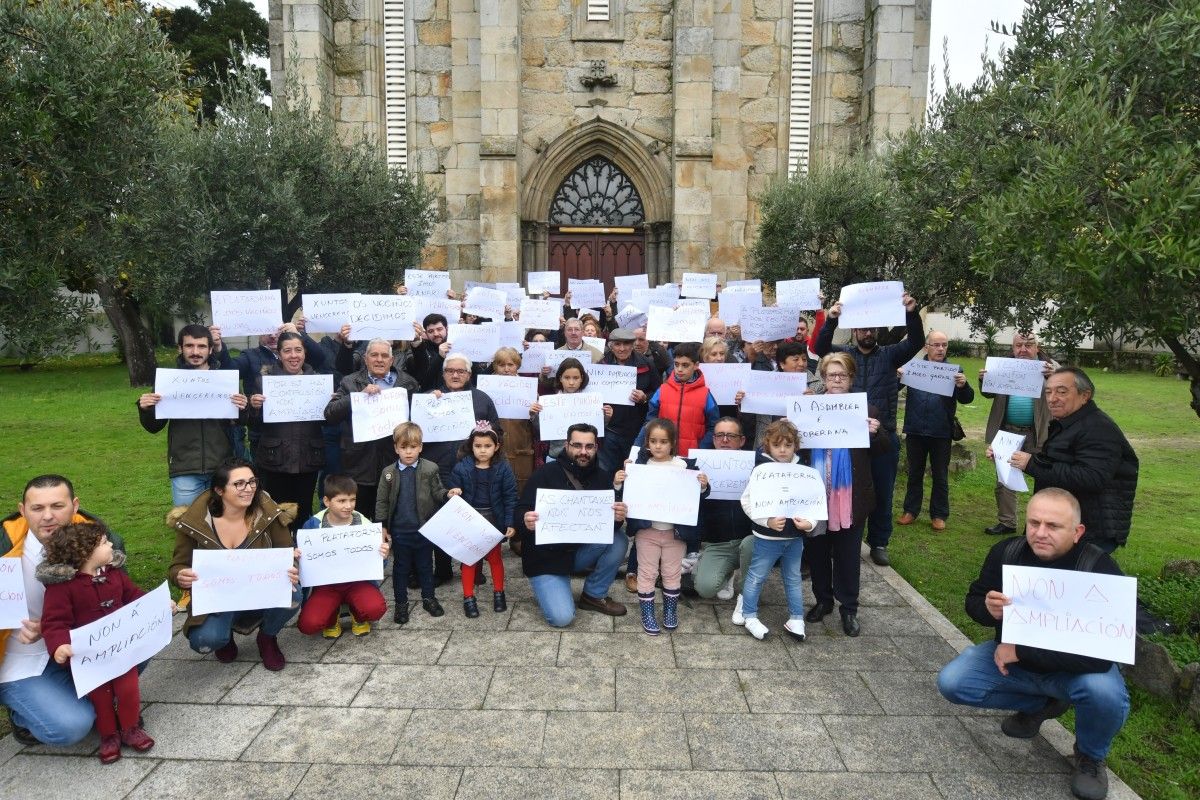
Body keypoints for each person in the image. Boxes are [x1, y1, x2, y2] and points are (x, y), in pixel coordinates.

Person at [937, 488, 1129, 800]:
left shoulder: (1099, 569)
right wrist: (986, 607)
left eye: (1053, 526)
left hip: (1074, 669)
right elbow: (973, 600)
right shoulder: (1007, 552)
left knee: (1104, 692)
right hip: (1016, 665)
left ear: (1077, 532)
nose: (1040, 533)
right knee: (953, 682)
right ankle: (1041, 705)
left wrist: (1020, 650)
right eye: (1033, 523)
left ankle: (1090, 756)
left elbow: (1100, 657)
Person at [0, 476, 127, 746]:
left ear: (75, 505)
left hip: (77, 647)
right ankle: (23, 714)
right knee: (73, 727)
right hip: (20, 658)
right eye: (37, 508)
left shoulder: (99, 540)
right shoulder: (4, 547)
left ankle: (87, 697)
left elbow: (119, 599)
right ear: (22, 510)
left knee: (137, 648)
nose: (48, 516)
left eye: (57, 506)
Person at [813, 291, 925, 566]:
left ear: (877, 330)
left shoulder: (890, 355)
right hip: (846, 439)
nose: (867, 332)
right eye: (862, 328)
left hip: (881, 435)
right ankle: (838, 537)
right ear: (854, 331)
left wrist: (911, 314)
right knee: (842, 489)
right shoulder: (844, 357)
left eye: (871, 328)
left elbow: (916, 342)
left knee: (883, 491)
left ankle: (879, 542)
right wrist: (831, 320)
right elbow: (819, 347)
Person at [37, 522, 154, 763]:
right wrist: (59, 645)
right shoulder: (62, 588)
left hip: (121, 650)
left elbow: (133, 596)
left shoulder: (114, 574)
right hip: (88, 658)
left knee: (128, 689)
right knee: (100, 695)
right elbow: (54, 622)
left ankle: (131, 727)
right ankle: (109, 734)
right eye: (104, 543)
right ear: (85, 552)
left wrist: (156, 606)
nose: (111, 544)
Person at [168, 459, 301, 671]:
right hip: (219, 600)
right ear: (220, 490)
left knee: (294, 593)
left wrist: (292, 565)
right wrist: (181, 575)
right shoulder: (194, 523)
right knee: (205, 640)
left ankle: (267, 638)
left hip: (260, 591)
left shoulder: (269, 514)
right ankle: (225, 634)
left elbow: (287, 551)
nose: (248, 489)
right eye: (239, 484)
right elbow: (177, 567)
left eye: (252, 482)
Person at [1007, 368, 1138, 553]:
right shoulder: (1069, 422)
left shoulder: (1098, 428)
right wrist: (1013, 455)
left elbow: (1091, 478)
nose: (1052, 399)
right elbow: (1058, 458)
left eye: (1061, 392)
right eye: (1048, 392)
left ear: (1085, 396)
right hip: (1066, 522)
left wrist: (1031, 464)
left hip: (1088, 528)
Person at [803, 353, 887, 637]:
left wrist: (875, 434)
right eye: (830, 375)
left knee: (848, 554)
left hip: (849, 496)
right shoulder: (809, 406)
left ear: (851, 379)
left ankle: (848, 608)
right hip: (814, 492)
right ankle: (823, 600)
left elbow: (884, 451)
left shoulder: (867, 410)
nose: (836, 380)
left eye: (842, 375)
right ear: (823, 378)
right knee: (816, 551)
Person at [516, 424, 630, 627]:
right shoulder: (544, 474)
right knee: (562, 618)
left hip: (579, 552)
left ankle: (594, 595)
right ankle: (555, 584)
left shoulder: (603, 478)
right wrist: (526, 521)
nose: (583, 452)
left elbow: (607, 526)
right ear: (567, 445)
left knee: (619, 539)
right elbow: (519, 511)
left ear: (596, 447)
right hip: (547, 557)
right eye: (577, 445)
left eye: (589, 446)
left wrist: (617, 518)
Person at [615, 419, 709, 635]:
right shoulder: (638, 467)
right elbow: (624, 497)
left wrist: (703, 486)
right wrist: (619, 482)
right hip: (647, 532)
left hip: (675, 534)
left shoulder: (685, 467)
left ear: (673, 443)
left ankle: (670, 611)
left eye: (663, 441)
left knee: (671, 573)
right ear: (647, 442)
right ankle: (647, 613)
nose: (658, 446)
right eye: (653, 441)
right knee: (646, 573)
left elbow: (698, 499)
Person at [137, 324, 248, 506]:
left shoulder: (225, 380)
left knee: (224, 522)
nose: (195, 352)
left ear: (211, 349)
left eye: (202, 346)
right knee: (189, 525)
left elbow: (243, 421)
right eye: (189, 346)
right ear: (180, 348)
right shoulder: (169, 382)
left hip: (222, 466)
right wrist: (146, 409)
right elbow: (154, 427)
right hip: (185, 467)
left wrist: (244, 408)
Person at [733, 420, 820, 641]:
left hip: (795, 538)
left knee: (792, 578)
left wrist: (809, 523)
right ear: (768, 446)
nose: (783, 450)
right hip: (767, 538)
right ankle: (749, 614)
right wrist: (766, 521)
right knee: (756, 576)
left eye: (788, 445)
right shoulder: (761, 470)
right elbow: (747, 501)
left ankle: (796, 618)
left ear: (795, 446)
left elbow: (813, 502)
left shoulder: (804, 471)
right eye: (777, 445)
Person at [417, 352, 501, 582]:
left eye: (460, 371)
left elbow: (497, 431)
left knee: (474, 519)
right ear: (443, 374)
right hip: (438, 467)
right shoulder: (430, 397)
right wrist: (427, 405)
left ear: (469, 374)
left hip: (472, 468)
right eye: (450, 371)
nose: (455, 375)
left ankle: (475, 569)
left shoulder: (482, 399)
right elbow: (416, 431)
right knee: (442, 520)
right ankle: (443, 569)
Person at [375, 422, 463, 624]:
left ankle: (428, 598)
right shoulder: (388, 473)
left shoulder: (430, 469)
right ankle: (401, 604)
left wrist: (447, 494)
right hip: (400, 531)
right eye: (403, 447)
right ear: (396, 448)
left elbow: (437, 491)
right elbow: (381, 501)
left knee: (425, 566)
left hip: (424, 529)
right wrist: (382, 526)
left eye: (413, 447)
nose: (408, 452)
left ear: (420, 447)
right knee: (401, 569)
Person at [324, 336, 421, 517]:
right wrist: (358, 397)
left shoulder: (408, 384)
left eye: (384, 356)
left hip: (394, 465)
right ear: (365, 359)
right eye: (374, 355)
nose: (379, 359)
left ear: (391, 360)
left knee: (388, 522)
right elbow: (330, 414)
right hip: (358, 464)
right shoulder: (350, 382)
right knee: (358, 520)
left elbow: (419, 419)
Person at [246, 331, 329, 532]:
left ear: (305, 353)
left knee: (303, 511)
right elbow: (253, 424)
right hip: (275, 458)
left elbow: (329, 418)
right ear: (279, 354)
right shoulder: (264, 382)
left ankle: (301, 556)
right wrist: (254, 407)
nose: (293, 355)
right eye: (287, 351)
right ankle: (278, 556)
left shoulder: (318, 381)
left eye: (298, 350)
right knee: (275, 513)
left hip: (308, 458)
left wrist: (330, 403)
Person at [979, 331, 1057, 535]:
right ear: (1013, 348)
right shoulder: (1003, 366)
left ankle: (1040, 524)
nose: (1023, 349)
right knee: (1004, 480)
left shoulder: (1050, 367)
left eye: (1028, 345)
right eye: (1018, 345)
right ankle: (1007, 522)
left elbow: (1066, 389)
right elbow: (988, 393)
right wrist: (984, 380)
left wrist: (1054, 376)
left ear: (1037, 348)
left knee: (1044, 479)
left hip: (1038, 433)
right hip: (1007, 432)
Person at [897, 330, 974, 531]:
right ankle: (910, 511)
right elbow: (893, 389)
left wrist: (963, 386)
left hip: (941, 431)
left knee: (940, 475)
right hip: (915, 429)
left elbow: (968, 399)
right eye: (936, 345)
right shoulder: (913, 368)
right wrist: (897, 377)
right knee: (915, 472)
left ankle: (939, 514)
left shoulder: (954, 370)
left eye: (944, 345)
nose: (941, 349)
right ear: (927, 347)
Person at [296, 474, 390, 639]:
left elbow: (377, 567)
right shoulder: (312, 526)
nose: (348, 506)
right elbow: (303, 564)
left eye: (352, 500)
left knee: (376, 609)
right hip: (326, 584)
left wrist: (383, 556)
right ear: (326, 501)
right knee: (308, 624)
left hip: (358, 581)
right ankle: (332, 616)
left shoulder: (364, 525)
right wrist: (297, 556)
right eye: (341, 501)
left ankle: (358, 615)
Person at [446, 423, 517, 617]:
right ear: (471, 446)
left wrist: (510, 522)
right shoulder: (461, 468)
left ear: (496, 447)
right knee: (469, 560)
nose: (483, 450)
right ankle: (468, 597)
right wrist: (453, 492)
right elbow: (452, 490)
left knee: (495, 558)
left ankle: (499, 592)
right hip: (470, 520)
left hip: (493, 521)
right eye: (478, 446)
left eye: (487, 446)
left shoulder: (503, 468)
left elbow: (510, 496)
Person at [692, 417, 755, 601]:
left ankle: (747, 594)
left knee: (751, 545)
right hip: (716, 543)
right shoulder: (700, 465)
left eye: (730, 435)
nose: (724, 440)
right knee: (705, 589)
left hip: (748, 540)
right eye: (719, 435)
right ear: (713, 439)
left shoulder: (756, 464)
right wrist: (702, 488)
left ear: (742, 440)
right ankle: (726, 571)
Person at [635, 341, 719, 456]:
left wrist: (701, 449)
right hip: (662, 456)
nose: (679, 369)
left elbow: (713, 426)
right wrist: (635, 450)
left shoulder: (705, 394)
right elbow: (650, 422)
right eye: (676, 364)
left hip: (691, 458)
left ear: (696, 365)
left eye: (685, 365)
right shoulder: (662, 390)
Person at [597, 327, 661, 473]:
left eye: (626, 344)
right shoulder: (601, 365)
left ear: (632, 345)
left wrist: (645, 398)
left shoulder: (646, 364)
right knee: (608, 470)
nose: (622, 348)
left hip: (637, 429)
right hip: (610, 429)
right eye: (618, 344)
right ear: (611, 346)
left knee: (633, 469)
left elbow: (658, 391)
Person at [533, 357, 612, 463]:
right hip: (556, 456)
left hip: (584, 457)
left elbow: (596, 430)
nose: (571, 382)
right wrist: (534, 415)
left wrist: (606, 417)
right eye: (567, 377)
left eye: (575, 378)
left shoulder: (591, 402)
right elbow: (542, 430)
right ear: (560, 378)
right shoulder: (549, 403)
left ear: (582, 378)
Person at [488, 347, 536, 494]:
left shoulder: (528, 388)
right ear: (495, 366)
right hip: (494, 447)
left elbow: (539, 424)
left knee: (520, 488)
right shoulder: (486, 386)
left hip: (521, 446)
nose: (506, 369)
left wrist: (534, 413)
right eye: (502, 365)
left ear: (517, 366)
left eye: (511, 365)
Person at [408, 313, 454, 392]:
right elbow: (423, 378)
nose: (436, 334)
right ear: (425, 333)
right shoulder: (422, 349)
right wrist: (439, 357)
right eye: (431, 331)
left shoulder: (458, 347)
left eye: (439, 329)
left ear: (446, 329)